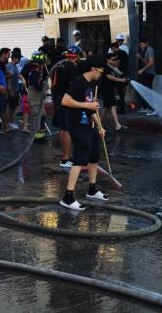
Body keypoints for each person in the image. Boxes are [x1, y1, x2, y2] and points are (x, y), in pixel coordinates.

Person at [59, 58, 108, 211]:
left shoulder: (91, 85)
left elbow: (91, 109)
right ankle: (68, 197)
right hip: (77, 125)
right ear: (93, 69)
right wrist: (87, 105)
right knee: (80, 160)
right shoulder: (79, 82)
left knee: (94, 156)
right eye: (100, 72)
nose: (101, 75)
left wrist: (100, 126)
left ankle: (92, 189)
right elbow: (65, 101)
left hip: (88, 125)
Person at [51, 46, 80, 167]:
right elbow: (75, 85)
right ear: (77, 56)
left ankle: (64, 157)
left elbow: (54, 83)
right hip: (67, 100)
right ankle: (66, 159)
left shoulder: (59, 65)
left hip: (58, 98)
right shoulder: (72, 67)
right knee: (68, 129)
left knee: (63, 128)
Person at [21, 52, 48, 136]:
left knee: (43, 114)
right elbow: (36, 85)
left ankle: (41, 132)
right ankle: (37, 136)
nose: (43, 66)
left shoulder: (43, 68)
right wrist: (23, 79)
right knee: (37, 115)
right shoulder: (32, 71)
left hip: (40, 93)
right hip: (34, 93)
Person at [101, 53, 128, 131]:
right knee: (113, 106)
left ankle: (99, 124)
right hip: (106, 89)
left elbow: (119, 73)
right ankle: (117, 125)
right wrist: (121, 80)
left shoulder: (113, 67)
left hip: (111, 89)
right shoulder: (105, 67)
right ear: (108, 60)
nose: (115, 61)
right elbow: (110, 77)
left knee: (106, 107)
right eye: (113, 59)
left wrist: (124, 77)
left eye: (115, 59)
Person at [136, 37, 157, 116]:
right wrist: (140, 57)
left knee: (148, 91)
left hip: (150, 73)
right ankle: (146, 108)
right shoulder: (146, 50)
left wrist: (142, 70)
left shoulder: (150, 50)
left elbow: (151, 63)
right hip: (147, 73)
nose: (141, 46)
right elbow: (146, 62)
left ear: (146, 43)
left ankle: (152, 109)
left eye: (142, 44)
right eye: (140, 45)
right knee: (145, 90)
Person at [6, 52, 22, 132]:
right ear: (14, 58)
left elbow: (18, 75)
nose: (19, 60)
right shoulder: (9, 66)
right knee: (10, 107)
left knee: (14, 107)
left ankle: (11, 121)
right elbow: (7, 78)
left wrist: (23, 79)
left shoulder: (15, 66)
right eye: (19, 58)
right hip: (11, 90)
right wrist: (10, 89)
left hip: (16, 89)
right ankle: (9, 123)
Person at [0, 48, 12, 133]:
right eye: (8, 54)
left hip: (3, 88)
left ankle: (5, 126)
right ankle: (2, 127)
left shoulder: (3, 64)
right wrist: (9, 75)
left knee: (2, 108)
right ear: (3, 54)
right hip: (0, 89)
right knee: (0, 108)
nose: (9, 56)